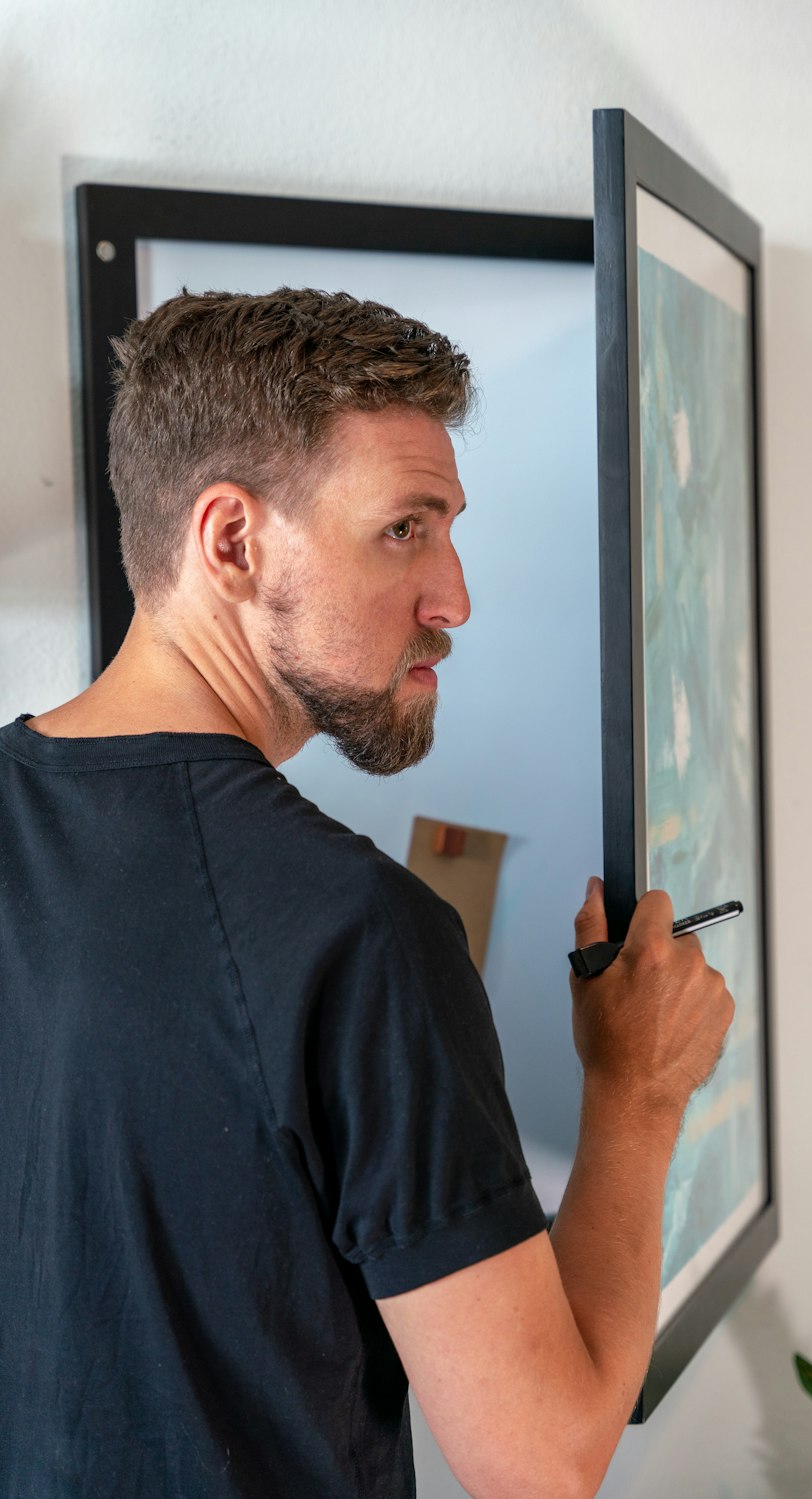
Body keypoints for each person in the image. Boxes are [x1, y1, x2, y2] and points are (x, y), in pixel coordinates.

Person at [0, 288, 734, 1499]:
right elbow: (539, 1460)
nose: (452, 597)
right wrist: (638, 1092)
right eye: (405, 528)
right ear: (231, 540)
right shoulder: (360, 932)